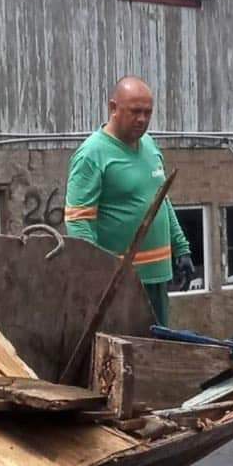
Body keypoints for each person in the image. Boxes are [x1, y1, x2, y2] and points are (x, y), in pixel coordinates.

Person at [65, 76, 193, 327]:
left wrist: (182, 248)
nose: (142, 119)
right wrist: (96, 272)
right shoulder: (92, 155)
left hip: (157, 279)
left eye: (147, 112)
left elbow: (161, 201)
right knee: (126, 357)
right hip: (120, 284)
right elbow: (79, 222)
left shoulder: (149, 146)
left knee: (158, 352)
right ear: (113, 108)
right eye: (135, 111)